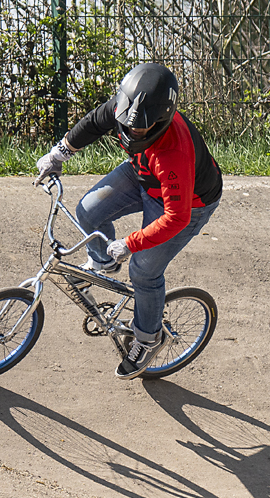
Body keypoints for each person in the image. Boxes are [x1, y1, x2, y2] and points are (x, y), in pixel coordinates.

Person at [36, 61, 223, 378]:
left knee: (144, 271)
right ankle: (102, 265)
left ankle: (150, 338)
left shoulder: (173, 152)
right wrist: (59, 153)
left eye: (141, 130)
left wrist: (130, 243)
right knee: (88, 210)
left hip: (185, 204)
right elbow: (95, 122)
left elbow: (175, 218)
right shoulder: (127, 107)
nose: (132, 131)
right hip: (142, 175)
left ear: (160, 121)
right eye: (128, 125)